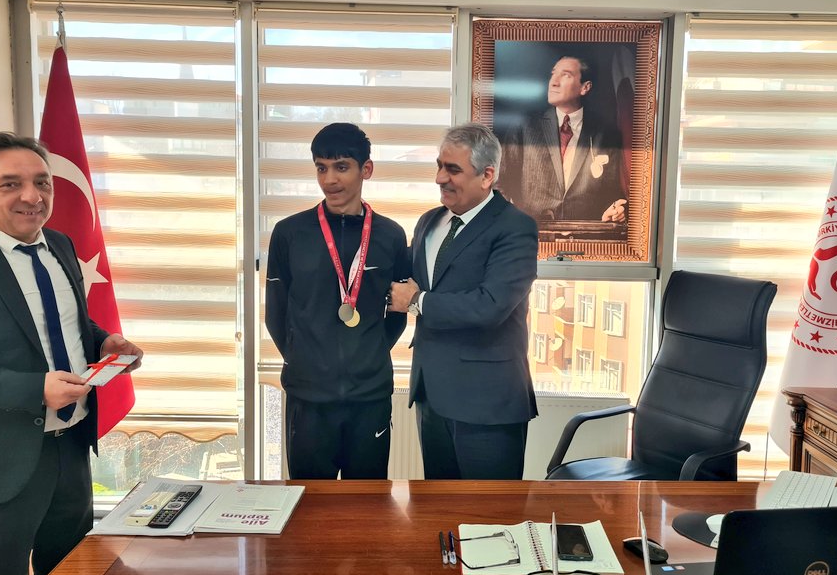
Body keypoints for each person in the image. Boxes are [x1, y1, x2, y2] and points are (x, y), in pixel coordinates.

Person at [0, 131, 144, 575]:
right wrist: (34, 390)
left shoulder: (61, 245)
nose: (32, 196)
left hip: (69, 450)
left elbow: (64, 327)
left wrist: (105, 341)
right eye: (10, 184)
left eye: (41, 182)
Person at [389, 123, 538, 480]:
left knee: (488, 511)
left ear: (487, 175)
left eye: (453, 169)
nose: (440, 178)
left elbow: (490, 306)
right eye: (439, 166)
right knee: (437, 508)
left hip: (487, 403)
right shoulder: (429, 221)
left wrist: (418, 301)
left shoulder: (515, 227)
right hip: (431, 396)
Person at [265, 122, 409, 480]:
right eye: (321, 167)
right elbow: (275, 313)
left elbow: (398, 312)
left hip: (370, 398)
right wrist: (305, 358)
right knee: (311, 503)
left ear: (366, 169)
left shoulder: (391, 235)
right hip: (308, 399)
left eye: (341, 167)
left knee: (367, 502)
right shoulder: (289, 233)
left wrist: (370, 351)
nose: (329, 179)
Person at [501, 55, 626, 222]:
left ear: (585, 87)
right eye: (553, 74)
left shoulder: (605, 134)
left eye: (565, 75)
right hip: (530, 232)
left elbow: (611, 192)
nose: (554, 82)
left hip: (584, 234)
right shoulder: (525, 127)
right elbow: (500, 183)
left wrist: (612, 211)